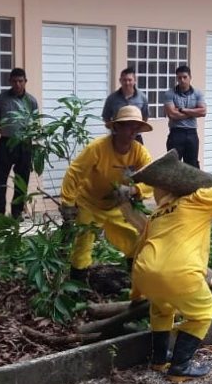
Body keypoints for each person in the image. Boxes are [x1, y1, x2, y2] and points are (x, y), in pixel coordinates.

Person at [132, 176, 212, 382]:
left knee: (161, 309)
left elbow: (139, 249)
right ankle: (180, 366)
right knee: (203, 312)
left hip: (144, 272)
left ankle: (159, 359)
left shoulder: (157, 214)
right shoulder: (197, 200)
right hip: (180, 272)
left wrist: (136, 292)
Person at [59, 105, 153, 279]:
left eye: (136, 126)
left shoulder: (139, 152)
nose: (132, 130)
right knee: (83, 243)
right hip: (90, 203)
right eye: (128, 125)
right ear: (116, 127)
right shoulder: (98, 148)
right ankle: (78, 286)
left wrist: (134, 189)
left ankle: (135, 280)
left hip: (117, 205)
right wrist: (68, 202)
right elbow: (75, 172)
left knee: (134, 237)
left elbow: (153, 178)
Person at [0, 68, 38, 220]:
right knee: (0, 180)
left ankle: (17, 214)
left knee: (21, 180)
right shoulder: (2, 99)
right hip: (5, 143)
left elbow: (35, 123)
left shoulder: (31, 101)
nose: (18, 84)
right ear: (10, 82)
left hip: (24, 144)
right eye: (15, 81)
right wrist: (5, 132)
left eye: (21, 81)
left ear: (25, 82)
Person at [163, 64, 207, 168]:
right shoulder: (170, 94)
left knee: (192, 165)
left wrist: (183, 110)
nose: (182, 80)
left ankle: (194, 185)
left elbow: (203, 112)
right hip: (176, 133)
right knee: (173, 165)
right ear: (176, 78)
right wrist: (193, 113)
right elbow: (172, 114)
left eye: (185, 77)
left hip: (192, 133)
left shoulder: (198, 93)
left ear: (190, 77)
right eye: (179, 77)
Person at [101, 67, 149, 144]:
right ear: (120, 81)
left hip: (136, 137)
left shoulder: (143, 98)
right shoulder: (112, 98)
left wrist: (136, 130)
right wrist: (115, 129)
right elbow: (106, 116)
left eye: (130, 80)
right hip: (117, 136)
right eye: (124, 80)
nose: (127, 83)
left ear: (135, 81)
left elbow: (145, 116)